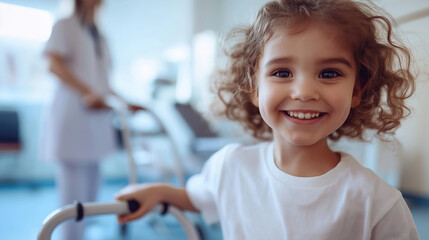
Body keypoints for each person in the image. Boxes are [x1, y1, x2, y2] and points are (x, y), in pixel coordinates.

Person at [115, 0, 420, 239]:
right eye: (282, 72)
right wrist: (159, 192)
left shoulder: (378, 202)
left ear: (357, 91)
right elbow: (197, 197)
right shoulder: (230, 167)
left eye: (329, 73)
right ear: (254, 88)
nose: (303, 91)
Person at [41, 0, 141, 239]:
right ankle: (70, 236)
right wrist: (87, 92)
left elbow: (103, 82)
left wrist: (126, 102)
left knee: (91, 190)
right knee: (72, 195)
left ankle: (80, 234)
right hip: (73, 117)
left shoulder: (99, 34)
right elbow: (54, 64)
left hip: (95, 120)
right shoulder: (65, 25)